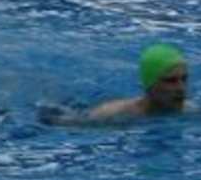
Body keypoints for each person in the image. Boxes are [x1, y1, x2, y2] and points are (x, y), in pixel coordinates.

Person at [42, 43, 189, 125]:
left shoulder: (189, 110)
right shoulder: (110, 114)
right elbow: (60, 123)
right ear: (149, 84)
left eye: (184, 79)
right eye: (170, 81)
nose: (181, 88)